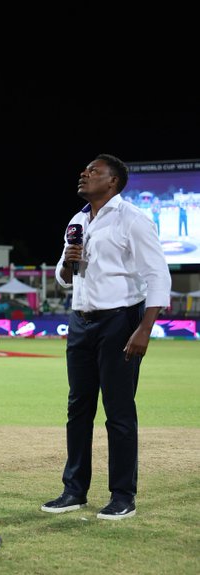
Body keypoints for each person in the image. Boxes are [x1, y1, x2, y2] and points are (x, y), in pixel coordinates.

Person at [42, 154, 171, 521]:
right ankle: (74, 490)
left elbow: (158, 276)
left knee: (118, 410)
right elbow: (64, 277)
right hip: (81, 319)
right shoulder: (78, 220)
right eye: (83, 170)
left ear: (112, 181)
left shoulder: (133, 219)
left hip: (121, 320)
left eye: (93, 171)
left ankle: (122, 495)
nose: (84, 174)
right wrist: (69, 259)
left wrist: (144, 328)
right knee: (78, 408)